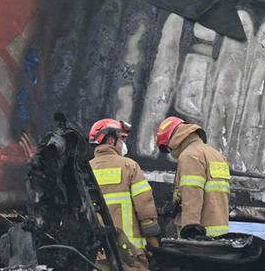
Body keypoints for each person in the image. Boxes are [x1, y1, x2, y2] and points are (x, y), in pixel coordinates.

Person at [88, 119, 160, 270]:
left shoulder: (86, 170)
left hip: (98, 255)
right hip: (130, 254)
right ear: (111, 140)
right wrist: (154, 245)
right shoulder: (129, 166)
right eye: (121, 139)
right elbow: (145, 210)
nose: (123, 144)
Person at [155, 116, 230, 237]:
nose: (171, 153)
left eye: (168, 149)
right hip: (220, 231)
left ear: (173, 141)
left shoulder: (189, 156)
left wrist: (190, 229)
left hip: (200, 235)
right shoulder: (217, 155)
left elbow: (192, 194)